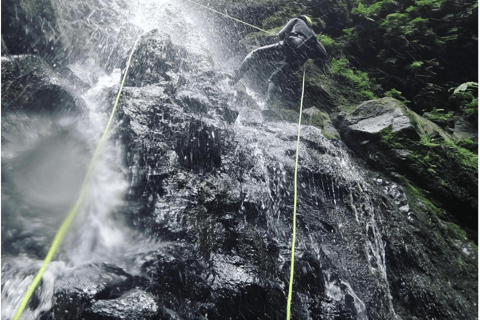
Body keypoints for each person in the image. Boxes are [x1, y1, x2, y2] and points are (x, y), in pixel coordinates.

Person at [229, 15, 328, 104]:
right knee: (276, 78)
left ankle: (235, 77)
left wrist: (281, 37)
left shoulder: (297, 20)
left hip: (291, 45)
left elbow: (281, 34)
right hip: (299, 60)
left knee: (255, 54)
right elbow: (324, 55)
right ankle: (268, 103)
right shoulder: (314, 37)